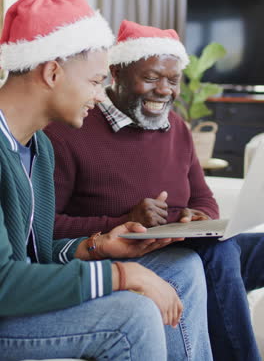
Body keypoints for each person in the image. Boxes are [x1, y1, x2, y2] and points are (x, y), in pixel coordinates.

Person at [0, 0, 214, 361]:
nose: (101, 97)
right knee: (131, 315)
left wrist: (95, 247)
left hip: (20, 302)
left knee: (182, 266)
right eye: (96, 82)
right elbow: (4, 283)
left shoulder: (38, 149)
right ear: (52, 73)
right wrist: (121, 275)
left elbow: (36, 254)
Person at [46, 19, 264, 361]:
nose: (164, 90)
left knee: (239, 249)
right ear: (115, 73)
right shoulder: (72, 128)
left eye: (172, 80)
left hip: (183, 244)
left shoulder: (177, 127)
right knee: (220, 256)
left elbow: (203, 197)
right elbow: (47, 228)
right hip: (127, 253)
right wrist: (124, 219)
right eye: (150, 78)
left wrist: (199, 215)